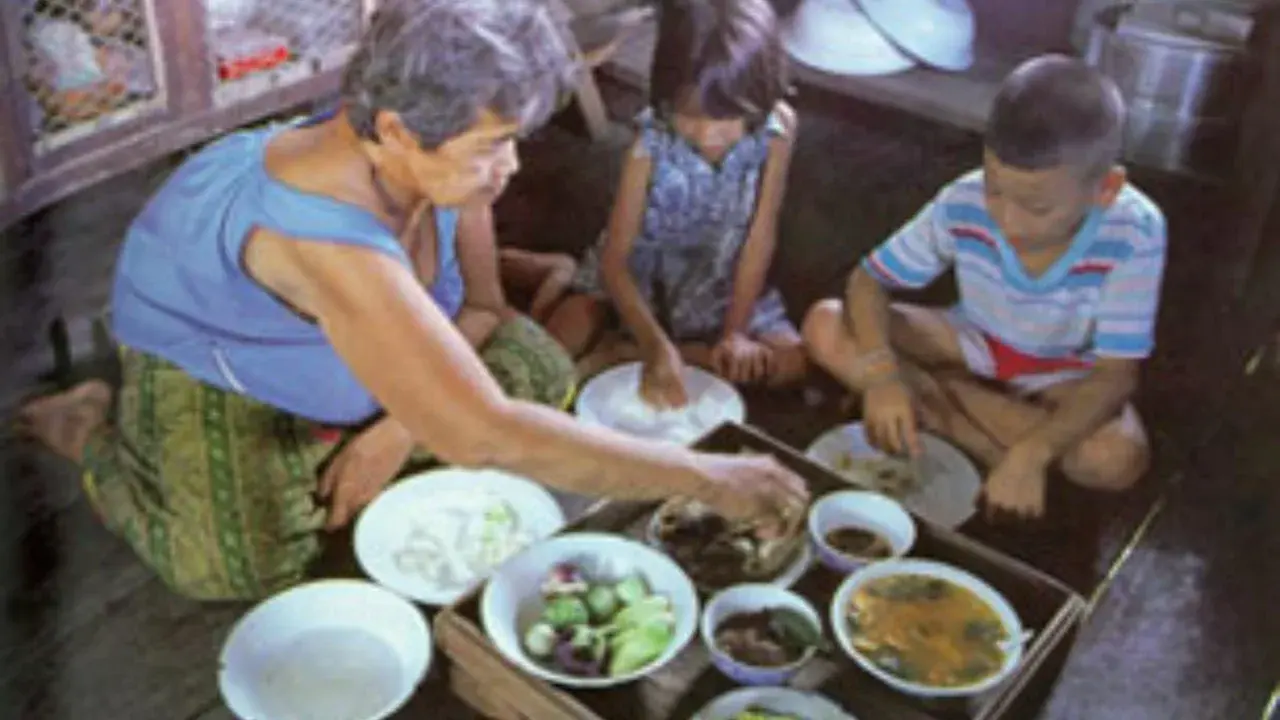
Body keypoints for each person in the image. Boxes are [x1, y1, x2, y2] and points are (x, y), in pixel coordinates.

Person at [15, 0, 808, 601]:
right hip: (222, 369)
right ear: (394, 130)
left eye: (512, 140)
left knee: (536, 367)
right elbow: (482, 431)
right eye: (491, 146)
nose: (509, 169)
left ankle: (355, 433)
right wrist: (707, 477)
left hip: (356, 353)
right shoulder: (323, 232)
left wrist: (397, 433)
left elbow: (487, 310)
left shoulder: (442, 161)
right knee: (234, 566)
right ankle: (88, 428)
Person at [803, 55, 1164, 520]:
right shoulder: (964, 198)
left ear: (1106, 188)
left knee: (1115, 459)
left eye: (1036, 208)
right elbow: (869, 280)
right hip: (970, 342)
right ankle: (978, 439)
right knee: (826, 323)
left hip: (1062, 376)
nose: (1007, 220)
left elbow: (1116, 375)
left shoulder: (1135, 229)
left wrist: (1033, 452)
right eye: (995, 189)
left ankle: (941, 410)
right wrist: (882, 376)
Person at [536, 0, 807, 408]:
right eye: (690, 118)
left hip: (721, 282)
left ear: (762, 93)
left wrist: (734, 333)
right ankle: (648, 348)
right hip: (641, 284)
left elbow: (759, 237)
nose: (707, 135)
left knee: (793, 363)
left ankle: (624, 356)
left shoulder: (777, 129)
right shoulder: (650, 138)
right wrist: (653, 341)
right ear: (665, 95)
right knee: (564, 338)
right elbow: (615, 262)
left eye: (725, 121)